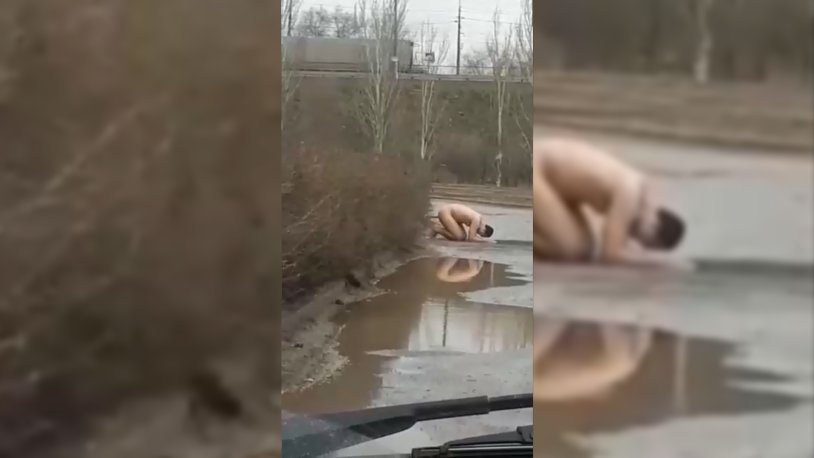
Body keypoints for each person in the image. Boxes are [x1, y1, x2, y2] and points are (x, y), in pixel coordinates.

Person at [533, 136, 687, 266]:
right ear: (653, 225)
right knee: (569, 249)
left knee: (585, 247)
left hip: (553, 180)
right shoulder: (631, 193)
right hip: (537, 167)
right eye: (644, 241)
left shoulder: (640, 194)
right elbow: (611, 255)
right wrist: (655, 262)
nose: (634, 238)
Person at [428, 203, 494, 242]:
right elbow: (471, 238)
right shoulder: (477, 219)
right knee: (458, 237)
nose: (478, 234)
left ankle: (439, 228)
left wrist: (481, 239)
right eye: (481, 234)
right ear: (484, 230)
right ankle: (437, 229)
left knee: (462, 237)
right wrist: (484, 241)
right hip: (446, 212)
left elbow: (471, 236)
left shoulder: (480, 219)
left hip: (452, 215)